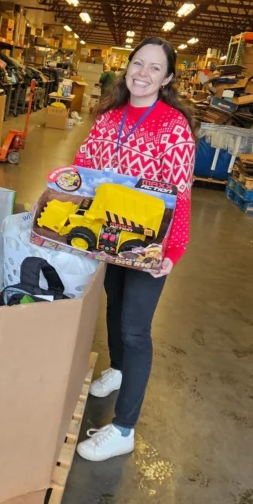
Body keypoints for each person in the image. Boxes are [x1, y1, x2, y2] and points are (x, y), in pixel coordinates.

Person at [74, 37, 196, 462]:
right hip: (108, 237)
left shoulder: (172, 126)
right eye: (137, 64)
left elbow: (180, 193)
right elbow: (83, 167)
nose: (142, 74)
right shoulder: (108, 118)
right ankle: (120, 370)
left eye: (154, 68)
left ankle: (124, 428)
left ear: (167, 80)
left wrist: (173, 251)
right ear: (127, 67)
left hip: (148, 244)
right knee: (114, 303)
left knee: (134, 328)